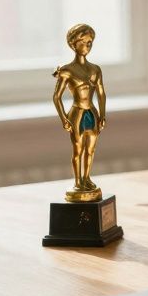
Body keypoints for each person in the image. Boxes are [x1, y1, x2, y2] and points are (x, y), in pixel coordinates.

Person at [52, 23, 107, 202]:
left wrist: (103, 115)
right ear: (73, 44)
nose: (87, 46)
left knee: (90, 150)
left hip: (92, 111)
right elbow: (56, 97)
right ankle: (78, 182)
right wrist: (64, 119)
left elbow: (101, 93)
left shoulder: (95, 69)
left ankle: (87, 178)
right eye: (83, 42)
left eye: (90, 42)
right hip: (77, 113)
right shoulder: (67, 70)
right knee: (77, 150)